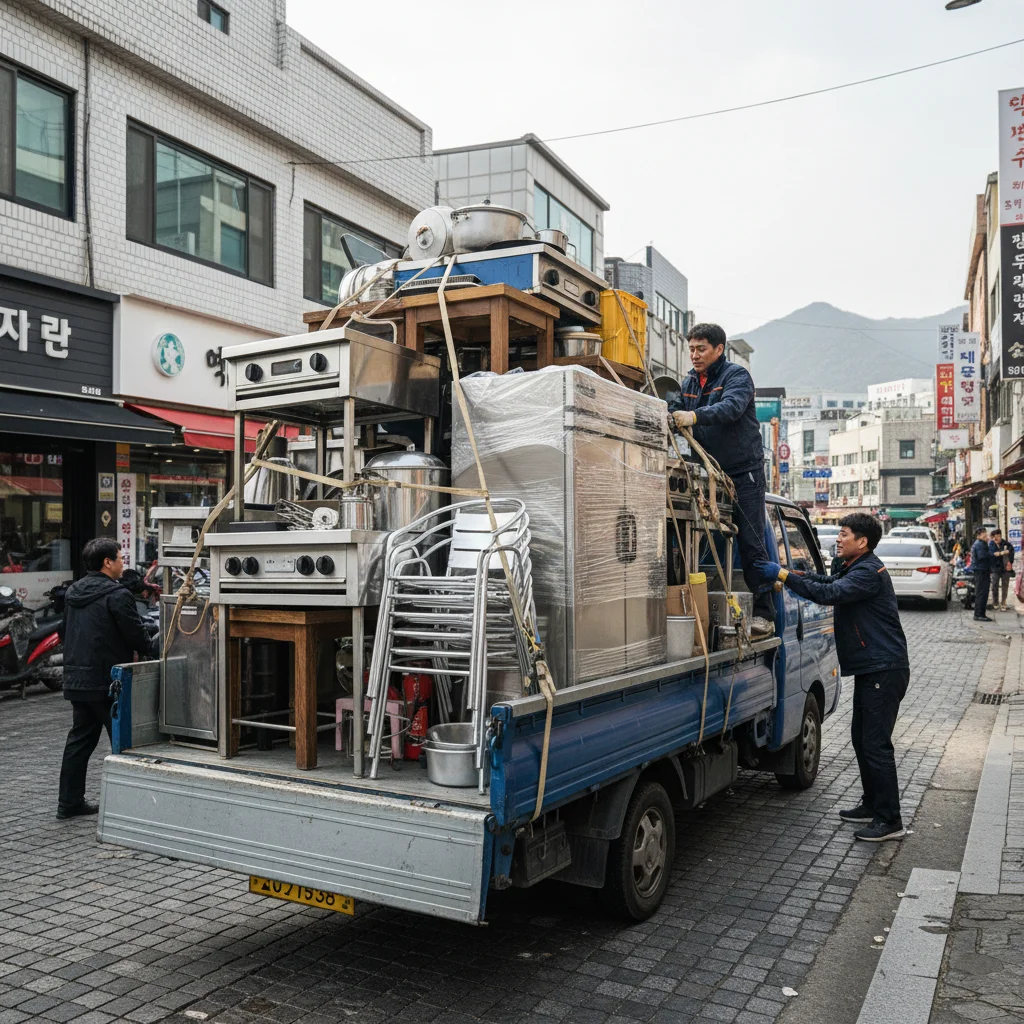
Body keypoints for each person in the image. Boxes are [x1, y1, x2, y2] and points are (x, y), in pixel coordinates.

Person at [754, 513, 909, 842]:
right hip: (873, 669)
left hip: (885, 668)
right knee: (860, 738)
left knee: (875, 744)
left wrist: (782, 574)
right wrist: (792, 574)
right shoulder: (855, 566)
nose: (838, 539)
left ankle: (889, 819)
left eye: (844, 534)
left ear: (862, 542)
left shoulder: (868, 571)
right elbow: (825, 583)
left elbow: (831, 594)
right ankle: (872, 803)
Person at [668, 323, 774, 637]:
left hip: (744, 472)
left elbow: (731, 408)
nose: (694, 355)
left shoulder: (737, 377)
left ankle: (764, 614)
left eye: (701, 349)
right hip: (708, 472)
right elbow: (676, 407)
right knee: (688, 539)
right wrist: (670, 412)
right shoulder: (689, 382)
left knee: (752, 541)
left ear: (718, 349)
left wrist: (695, 416)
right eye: (691, 349)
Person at [57, 538, 156, 820]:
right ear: (107, 562)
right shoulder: (117, 594)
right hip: (108, 680)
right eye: (120, 558)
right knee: (123, 742)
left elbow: (67, 632)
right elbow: (135, 635)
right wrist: (153, 645)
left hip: (77, 678)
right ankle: (130, 808)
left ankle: (69, 803)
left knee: (80, 741)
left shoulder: (74, 591)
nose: (123, 563)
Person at [970, 527, 993, 623]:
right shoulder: (979, 544)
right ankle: (979, 614)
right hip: (981, 570)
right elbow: (982, 556)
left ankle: (981, 613)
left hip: (983, 570)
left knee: (983, 593)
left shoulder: (982, 543)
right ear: (979, 535)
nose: (986, 535)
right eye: (984, 534)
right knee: (981, 593)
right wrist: (993, 554)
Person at [989, 529, 1014, 612]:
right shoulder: (991, 545)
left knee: (1005, 586)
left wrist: (1010, 561)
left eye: (998, 536)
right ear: (993, 538)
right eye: (995, 537)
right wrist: (1002, 553)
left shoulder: (1006, 543)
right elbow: (992, 554)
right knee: (994, 586)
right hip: (995, 568)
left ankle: (1003, 602)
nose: (997, 539)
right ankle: (995, 602)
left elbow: (1011, 552)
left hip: (1005, 568)